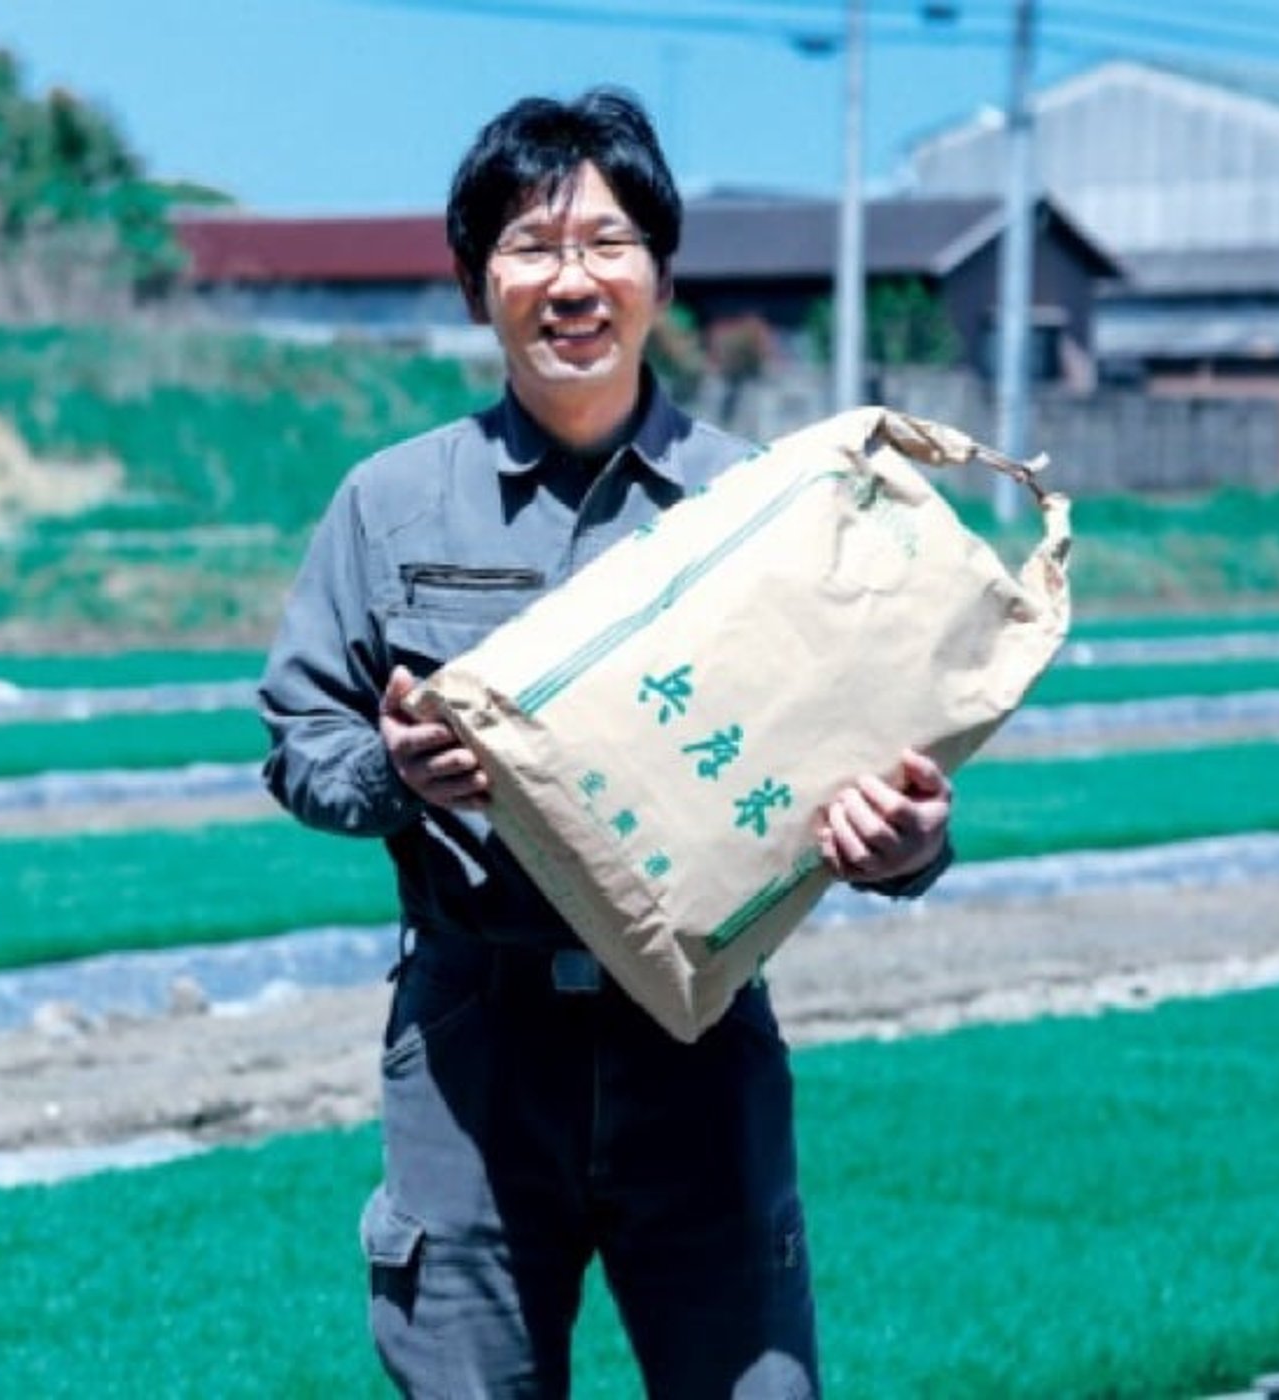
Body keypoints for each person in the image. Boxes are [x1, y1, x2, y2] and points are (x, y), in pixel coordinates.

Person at [259, 88, 952, 1399]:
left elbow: (880, 767)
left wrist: (908, 845)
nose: (571, 280)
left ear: (662, 277)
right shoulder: (390, 504)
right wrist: (390, 776)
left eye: (607, 243)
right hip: (475, 1046)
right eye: (530, 246)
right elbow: (301, 740)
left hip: (697, 1041)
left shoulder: (770, 506)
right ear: (477, 285)